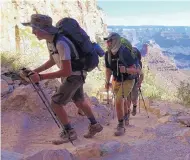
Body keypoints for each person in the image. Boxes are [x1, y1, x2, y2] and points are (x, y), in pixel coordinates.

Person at [22, 14, 103, 145]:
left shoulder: (61, 43)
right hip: (78, 74)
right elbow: (52, 60)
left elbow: (67, 71)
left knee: (56, 103)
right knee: (79, 101)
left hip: (74, 76)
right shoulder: (51, 41)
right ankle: (95, 125)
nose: (33, 32)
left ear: (43, 29)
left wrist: (41, 77)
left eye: (34, 28)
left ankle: (69, 132)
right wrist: (35, 71)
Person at [104, 32, 139, 136]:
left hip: (128, 80)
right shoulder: (108, 54)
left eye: (110, 41)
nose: (108, 43)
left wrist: (126, 69)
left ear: (115, 41)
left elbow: (136, 70)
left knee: (119, 100)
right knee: (121, 102)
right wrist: (107, 81)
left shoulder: (125, 52)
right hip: (116, 80)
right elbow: (108, 69)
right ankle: (126, 115)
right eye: (107, 41)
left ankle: (121, 126)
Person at [129, 47, 144, 116]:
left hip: (134, 81)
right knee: (128, 98)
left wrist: (139, 82)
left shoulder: (137, 63)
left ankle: (134, 107)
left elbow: (141, 74)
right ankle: (127, 113)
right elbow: (142, 75)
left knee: (133, 98)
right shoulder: (127, 61)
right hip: (128, 81)